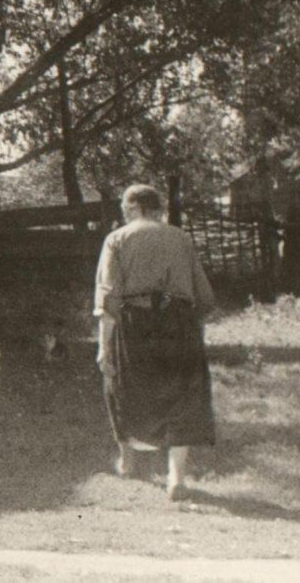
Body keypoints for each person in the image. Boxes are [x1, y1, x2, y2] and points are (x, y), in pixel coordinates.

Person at [93, 184, 217, 500]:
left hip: (136, 320)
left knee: (121, 384)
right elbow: (202, 296)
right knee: (183, 394)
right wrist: (193, 330)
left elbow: (108, 298)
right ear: (157, 209)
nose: (123, 214)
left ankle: (127, 460)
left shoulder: (117, 239)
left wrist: (104, 346)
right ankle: (177, 477)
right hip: (178, 320)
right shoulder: (180, 238)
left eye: (125, 209)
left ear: (133, 208)